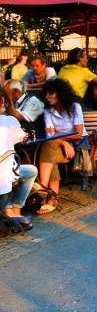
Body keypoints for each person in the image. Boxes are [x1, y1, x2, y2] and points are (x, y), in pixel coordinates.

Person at [36, 78, 91, 213]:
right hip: (60, 145)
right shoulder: (48, 111)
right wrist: (64, 142)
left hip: (77, 146)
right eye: (46, 94)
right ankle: (51, 198)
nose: (47, 97)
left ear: (61, 93)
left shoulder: (74, 107)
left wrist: (58, 136)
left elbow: (78, 134)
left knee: (49, 147)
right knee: (50, 150)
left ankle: (44, 188)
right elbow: (50, 136)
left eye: (51, 93)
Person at [0, 97, 34, 230]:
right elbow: (22, 137)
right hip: (4, 178)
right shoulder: (9, 120)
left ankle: (12, 212)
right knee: (30, 171)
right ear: (3, 102)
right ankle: (13, 211)